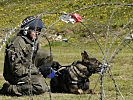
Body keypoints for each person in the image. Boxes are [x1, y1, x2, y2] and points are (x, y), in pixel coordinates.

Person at [0, 16, 57, 96]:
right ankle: (9, 89)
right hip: (14, 75)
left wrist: (51, 65)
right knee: (40, 87)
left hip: (26, 67)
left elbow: (32, 58)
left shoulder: (32, 41)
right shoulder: (17, 44)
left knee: (47, 55)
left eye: (39, 30)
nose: (37, 33)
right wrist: (37, 70)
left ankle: (36, 79)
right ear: (26, 30)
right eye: (35, 30)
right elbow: (15, 69)